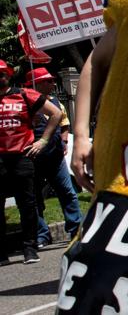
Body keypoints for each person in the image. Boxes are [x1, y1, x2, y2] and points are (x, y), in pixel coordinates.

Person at [1, 60, 64, 264]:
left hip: (22, 156)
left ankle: (30, 248)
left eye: (1, 74)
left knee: (27, 204)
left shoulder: (23, 94)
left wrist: (43, 141)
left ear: (8, 75)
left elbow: (56, 113)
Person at [27, 68, 81, 247]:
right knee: (34, 198)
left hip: (55, 157)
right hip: (32, 158)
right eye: (48, 81)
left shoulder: (57, 102)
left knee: (68, 193)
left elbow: (64, 123)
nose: (52, 84)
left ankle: (75, 229)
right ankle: (42, 234)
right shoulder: (25, 101)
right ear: (38, 83)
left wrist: (64, 140)